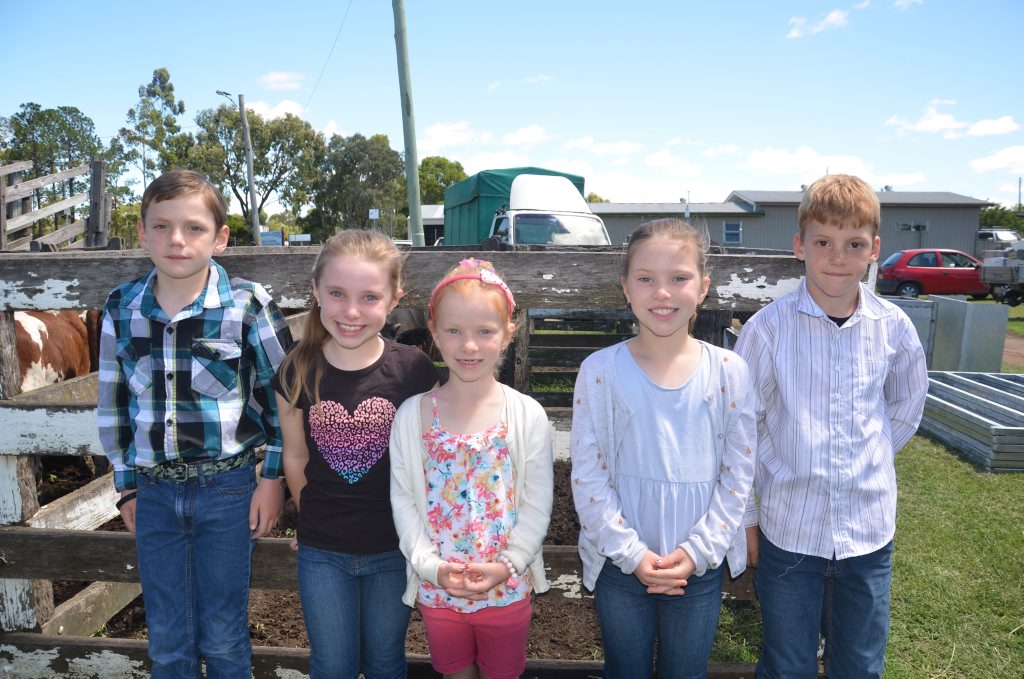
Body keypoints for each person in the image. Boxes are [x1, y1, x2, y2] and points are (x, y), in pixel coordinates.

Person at [97, 169, 293, 678]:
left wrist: (271, 479)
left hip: (228, 489)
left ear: (221, 238)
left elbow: (285, 401)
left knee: (225, 635)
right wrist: (127, 488)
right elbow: (114, 404)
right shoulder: (122, 308)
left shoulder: (248, 306)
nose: (176, 240)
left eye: (193, 228)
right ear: (142, 234)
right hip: (155, 493)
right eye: (160, 227)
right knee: (166, 638)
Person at [734, 174, 928, 679]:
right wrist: (749, 517)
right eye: (823, 242)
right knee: (787, 664)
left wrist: (870, 456)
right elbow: (740, 429)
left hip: (868, 535)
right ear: (800, 246)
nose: (837, 256)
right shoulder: (767, 331)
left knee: (860, 663)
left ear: (874, 250)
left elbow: (906, 406)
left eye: (854, 244)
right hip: (788, 533)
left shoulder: (894, 328)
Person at [570, 219, 756, 679]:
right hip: (621, 567)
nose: (663, 293)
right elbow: (587, 475)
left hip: (699, 570)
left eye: (679, 278)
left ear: (704, 287)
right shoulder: (600, 372)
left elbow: (738, 474)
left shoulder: (730, 371)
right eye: (646, 279)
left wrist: (697, 553)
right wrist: (632, 555)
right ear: (626, 288)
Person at [272, 229, 436, 678]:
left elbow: (431, 457)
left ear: (394, 297)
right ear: (316, 292)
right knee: (332, 665)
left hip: (395, 548)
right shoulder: (297, 369)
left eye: (369, 297)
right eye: (337, 294)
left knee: (386, 662)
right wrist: (312, 517)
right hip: (323, 553)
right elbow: (296, 457)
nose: (350, 311)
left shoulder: (414, 370)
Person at [390, 258, 554, 679]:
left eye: (484, 331)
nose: (469, 346)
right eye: (455, 331)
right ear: (435, 332)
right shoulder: (413, 415)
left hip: (506, 588)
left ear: (507, 334)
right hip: (439, 591)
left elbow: (537, 504)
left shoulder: (526, 414)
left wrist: (509, 563)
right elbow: (404, 500)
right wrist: (431, 567)